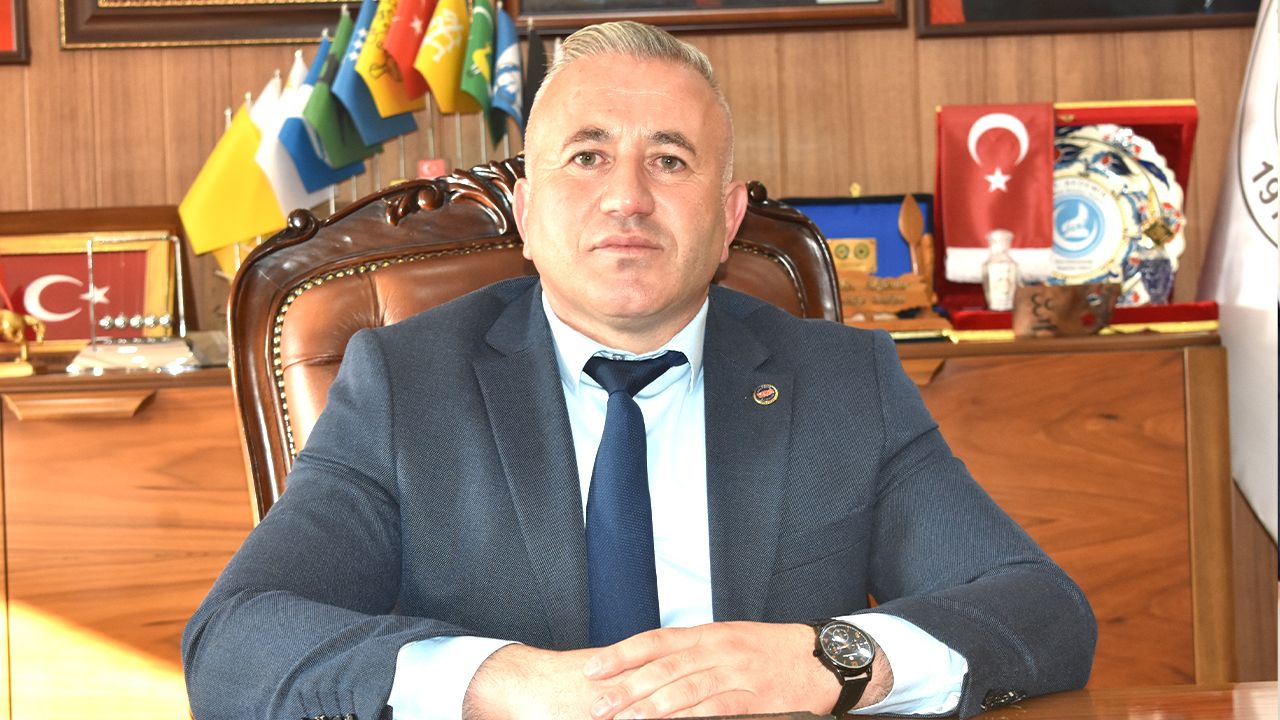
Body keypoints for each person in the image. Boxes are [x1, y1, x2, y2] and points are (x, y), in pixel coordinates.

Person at [182, 21, 1095, 720]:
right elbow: (234, 639)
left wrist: (834, 660)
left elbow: (1044, 612)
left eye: (669, 159)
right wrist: (491, 679)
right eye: (587, 156)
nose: (627, 196)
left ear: (728, 218)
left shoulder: (841, 381)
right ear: (526, 214)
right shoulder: (404, 383)